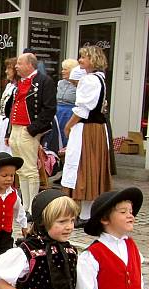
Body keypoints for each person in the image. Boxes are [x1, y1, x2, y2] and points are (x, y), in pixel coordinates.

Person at [63, 46, 114, 225]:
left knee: (83, 168)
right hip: (95, 128)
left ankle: (85, 215)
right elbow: (74, 74)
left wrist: (68, 126)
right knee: (89, 168)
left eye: (83, 57)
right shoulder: (97, 78)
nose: (80, 61)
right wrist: (83, 65)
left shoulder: (90, 80)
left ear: (93, 60)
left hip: (88, 129)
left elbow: (83, 109)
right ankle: (86, 213)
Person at [7, 52, 57, 214]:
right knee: (20, 168)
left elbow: (49, 109)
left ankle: (32, 207)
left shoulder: (44, 81)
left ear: (30, 65)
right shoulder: (19, 82)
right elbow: (14, 108)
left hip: (29, 129)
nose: (16, 66)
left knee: (29, 168)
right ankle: (25, 204)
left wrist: (33, 129)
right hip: (16, 128)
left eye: (20, 63)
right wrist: (9, 131)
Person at [0, 57, 18, 154]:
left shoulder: (18, 87)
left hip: (9, 123)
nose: (6, 71)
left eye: (9, 69)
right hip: (1, 123)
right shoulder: (9, 85)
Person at [56, 59, 80, 147]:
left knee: (67, 134)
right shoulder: (60, 83)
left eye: (65, 69)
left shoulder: (78, 84)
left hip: (70, 113)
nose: (62, 71)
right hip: (58, 112)